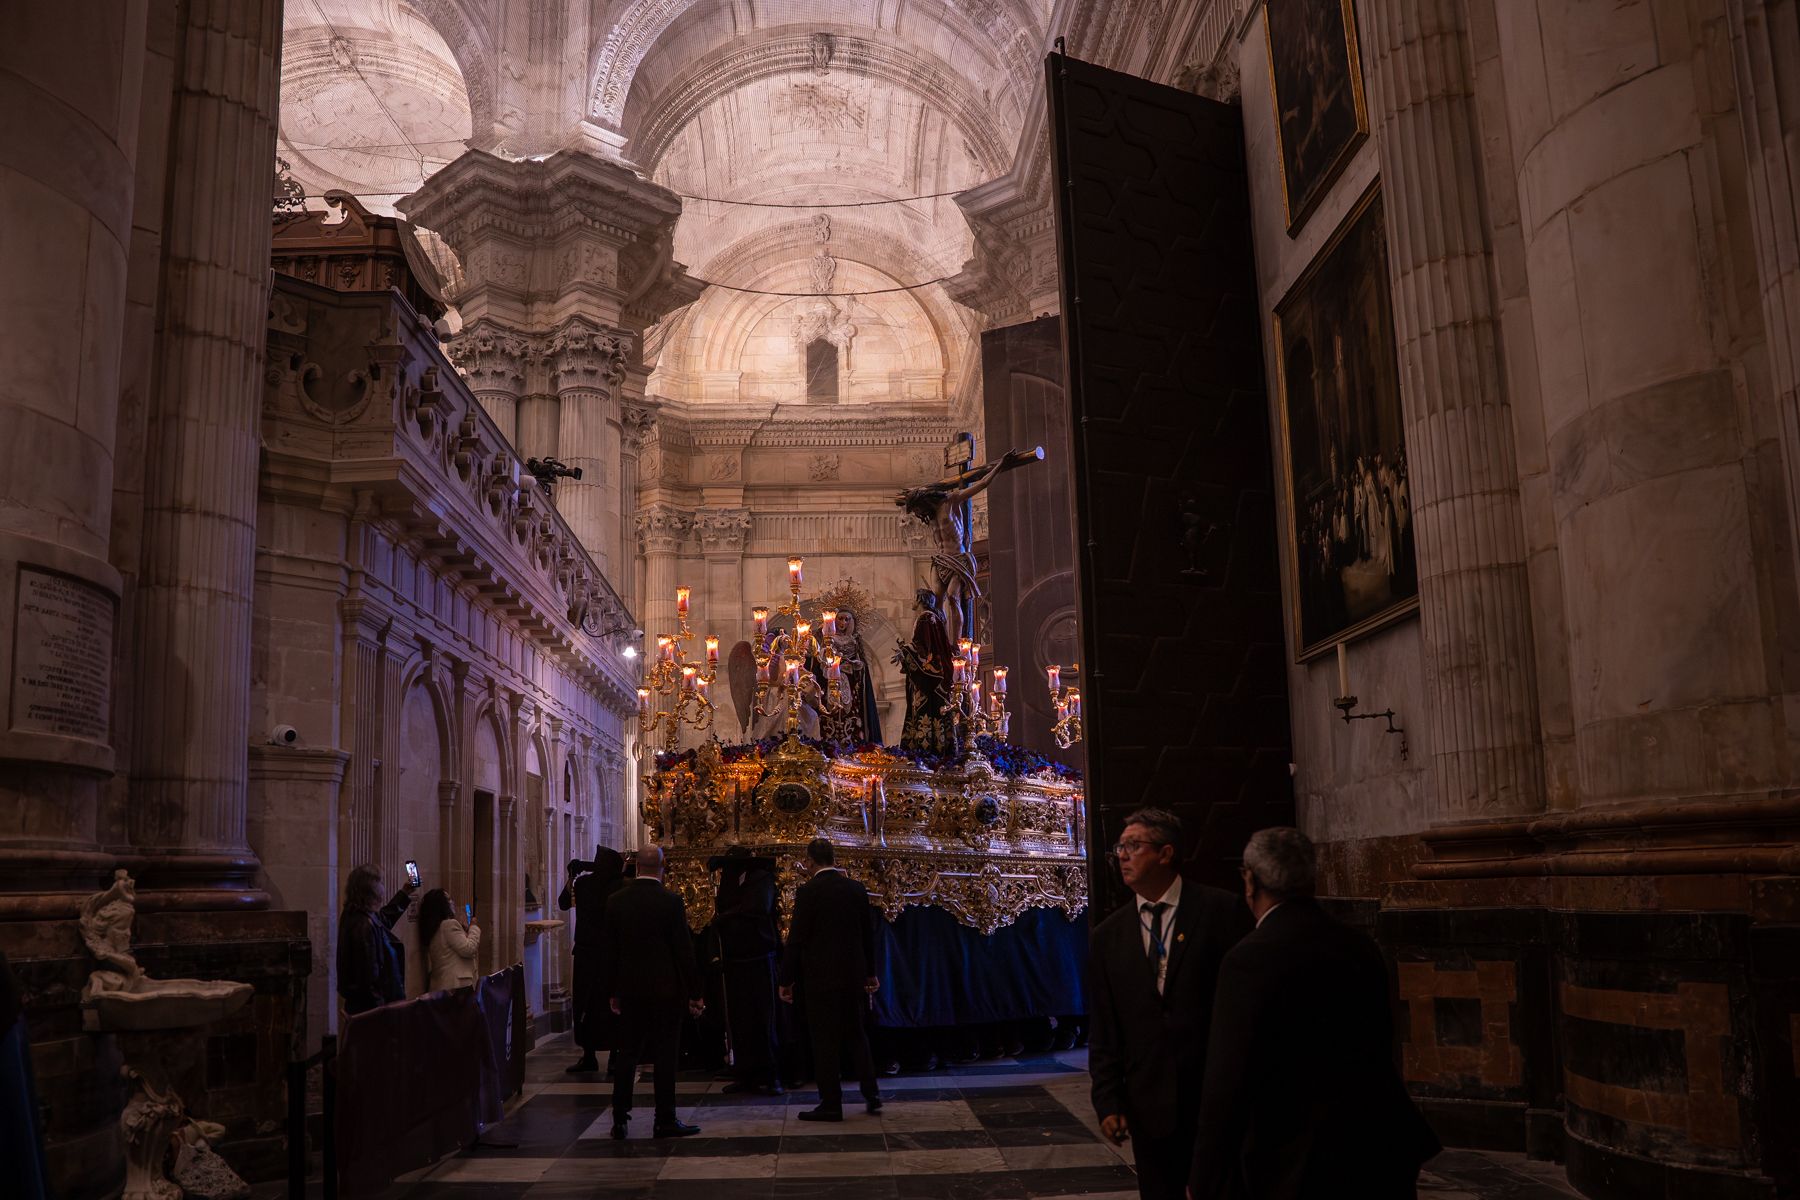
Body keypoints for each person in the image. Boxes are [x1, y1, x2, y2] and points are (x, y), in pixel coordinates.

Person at [1188, 827, 1440, 1200]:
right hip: (1374, 1139)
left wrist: (1204, 1174)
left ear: (1250, 881)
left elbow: (1228, 1078)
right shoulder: (1358, 945)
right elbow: (1383, 1040)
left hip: (1294, 1157)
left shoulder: (1248, 960)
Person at [1087, 808, 1248, 1200]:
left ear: (1165, 853)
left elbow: (1243, 1007)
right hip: (1149, 1103)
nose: (1122, 855)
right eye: (1120, 847)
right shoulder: (1109, 935)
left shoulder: (1221, 912)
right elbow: (1106, 1025)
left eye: (1134, 846)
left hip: (1214, 1099)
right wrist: (1108, 1099)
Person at [601, 845, 703, 1139]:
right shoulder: (671, 901)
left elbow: (610, 952)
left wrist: (612, 991)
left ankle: (619, 1119)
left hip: (630, 990)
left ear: (635, 866)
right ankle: (665, 1119)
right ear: (663, 866)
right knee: (665, 1055)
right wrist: (695, 990)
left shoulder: (616, 901)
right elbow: (683, 951)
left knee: (627, 1054)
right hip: (665, 992)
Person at [779, 838, 881, 1121]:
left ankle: (831, 1103)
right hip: (852, 975)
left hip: (820, 978)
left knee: (824, 1040)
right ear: (834, 858)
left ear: (810, 861)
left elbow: (796, 939)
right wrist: (871, 972)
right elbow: (866, 935)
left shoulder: (808, 892)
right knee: (856, 1035)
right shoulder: (856, 889)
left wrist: (786, 979)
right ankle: (872, 1093)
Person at [709, 845, 784, 1095]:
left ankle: (771, 1075)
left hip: (759, 957)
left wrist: (727, 916)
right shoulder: (730, 881)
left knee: (763, 1020)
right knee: (739, 1020)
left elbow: (757, 907)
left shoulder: (761, 878)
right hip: (735, 958)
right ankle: (745, 1073)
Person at [559, 846, 626, 1073]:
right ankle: (615, 1056)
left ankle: (589, 1055)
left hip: (587, 954)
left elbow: (563, 903)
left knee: (585, 1003)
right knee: (612, 1003)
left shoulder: (583, 884)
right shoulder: (619, 886)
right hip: (610, 953)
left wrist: (576, 873)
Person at [337, 863, 417, 1017]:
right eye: (380, 883)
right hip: (373, 1012)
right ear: (370, 888)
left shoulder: (359, 915)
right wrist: (383, 1013)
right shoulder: (362, 924)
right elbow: (368, 981)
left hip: (370, 1009)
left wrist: (405, 893)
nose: (383, 888)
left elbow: (383, 919)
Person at [894, 589, 955, 756]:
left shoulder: (925, 618)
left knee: (925, 710)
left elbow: (923, 651)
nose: (912, 601)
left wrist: (904, 651)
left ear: (920, 599)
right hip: (937, 677)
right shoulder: (934, 618)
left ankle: (924, 753)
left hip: (928, 678)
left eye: (914, 597)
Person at [420, 888, 481, 992]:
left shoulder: (436, 927)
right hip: (456, 987)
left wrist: (465, 931)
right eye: (448, 900)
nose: (452, 902)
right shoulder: (449, 924)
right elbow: (469, 949)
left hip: (443, 985)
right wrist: (474, 928)